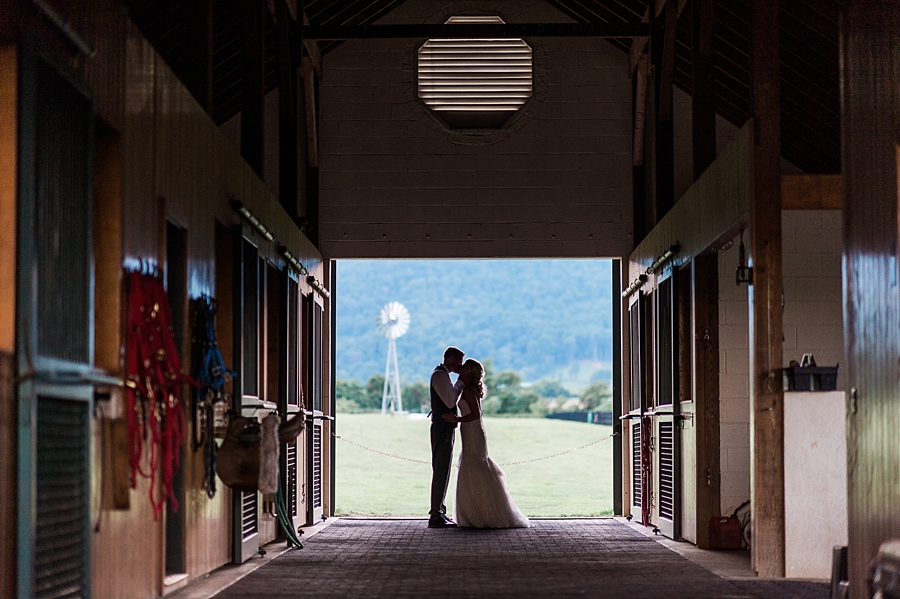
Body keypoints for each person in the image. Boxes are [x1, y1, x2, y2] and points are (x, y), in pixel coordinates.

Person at [443, 359, 530, 529]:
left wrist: (457, 419)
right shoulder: (467, 388)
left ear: (469, 372)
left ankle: (481, 512)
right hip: (469, 431)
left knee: (475, 465)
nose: (460, 370)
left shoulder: (469, 390)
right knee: (472, 465)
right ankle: (476, 511)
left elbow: (476, 414)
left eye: (464, 368)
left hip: (473, 431)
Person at [428, 346, 466, 528]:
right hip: (442, 428)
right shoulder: (441, 376)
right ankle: (436, 514)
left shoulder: (441, 375)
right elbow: (450, 401)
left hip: (444, 427)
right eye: (458, 361)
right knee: (441, 470)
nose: (460, 365)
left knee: (443, 469)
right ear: (449, 359)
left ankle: (439, 511)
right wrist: (461, 383)